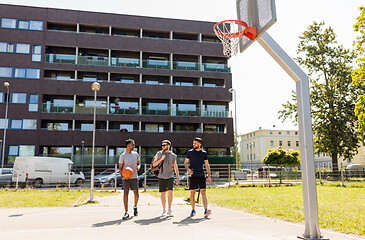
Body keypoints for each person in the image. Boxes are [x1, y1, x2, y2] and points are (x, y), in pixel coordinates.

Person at [184, 137, 212, 218]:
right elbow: (185, 163)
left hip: (201, 175)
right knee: (192, 192)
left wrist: (209, 176)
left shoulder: (204, 153)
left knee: (203, 192)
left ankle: (206, 210)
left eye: (195, 143)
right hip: (193, 175)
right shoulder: (190, 152)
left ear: (199, 144)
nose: (193, 145)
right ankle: (193, 209)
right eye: (193, 143)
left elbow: (207, 165)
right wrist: (188, 170)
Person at [152, 140, 180, 217]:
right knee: (163, 193)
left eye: (164, 145)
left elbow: (175, 167)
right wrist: (161, 159)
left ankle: (169, 209)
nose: (163, 146)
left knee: (170, 192)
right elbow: (154, 164)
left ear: (168, 146)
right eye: (162, 145)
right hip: (161, 176)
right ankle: (164, 210)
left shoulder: (173, 155)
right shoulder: (159, 153)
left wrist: (177, 177)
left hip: (170, 175)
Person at [119, 139, 140, 219]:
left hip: (134, 177)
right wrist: (122, 176)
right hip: (126, 178)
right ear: (128, 146)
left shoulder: (136, 154)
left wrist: (138, 167)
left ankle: (135, 207)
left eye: (134, 145)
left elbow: (139, 164)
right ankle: (126, 212)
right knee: (125, 194)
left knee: (136, 194)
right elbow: (120, 168)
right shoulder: (122, 156)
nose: (134, 146)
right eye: (132, 145)